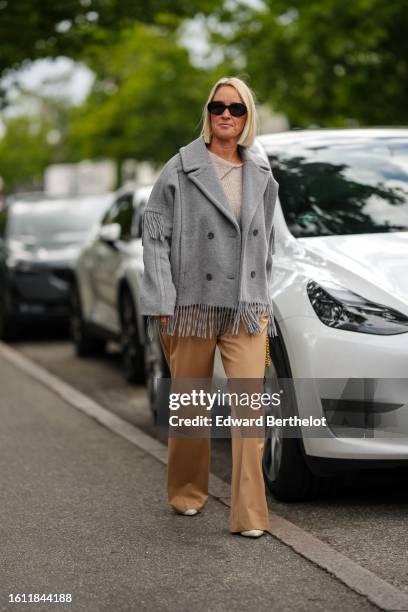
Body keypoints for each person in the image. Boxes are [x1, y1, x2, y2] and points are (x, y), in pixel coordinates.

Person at [140, 76, 279, 538]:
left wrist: (264, 298)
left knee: (249, 413)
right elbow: (155, 231)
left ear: (246, 117)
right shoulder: (181, 167)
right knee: (191, 408)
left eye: (236, 108)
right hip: (191, 305)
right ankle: (186, 491)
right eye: (218, 106)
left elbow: (269, 242)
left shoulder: (261, 172)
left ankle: (250, 515)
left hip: (244, 306)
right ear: (208, 112)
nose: (225, 114)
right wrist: (162, 297)